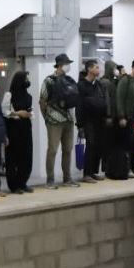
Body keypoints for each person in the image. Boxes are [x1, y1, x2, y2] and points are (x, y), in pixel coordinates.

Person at [40, 54, 79, 189]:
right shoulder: (49, 80)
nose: (68, 66)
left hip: (68, 119)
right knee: (52, 150)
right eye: (67, 63)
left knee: (68, 149)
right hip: (54, 120)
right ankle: (50, 180)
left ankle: (67, 179)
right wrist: (46, 117)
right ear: (60, 65)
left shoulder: (69, 80)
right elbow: (42, 100)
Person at [2, 71, 34, 194]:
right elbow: (5, 111)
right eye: (26, 78)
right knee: (12, 158)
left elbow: (31, 111)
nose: (28, 81)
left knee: (26, 157)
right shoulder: (9, 95)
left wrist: (29, 114)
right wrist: (18, 113)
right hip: (13, 129)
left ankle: (23, 183)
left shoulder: (28, 96)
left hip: (25, 128)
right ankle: (14, 186)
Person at [77, 59, 107, 183]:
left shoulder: (98, 84)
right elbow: (79, 106)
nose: (98, 69)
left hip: (99, 120)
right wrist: (80, 125)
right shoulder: (81, 85)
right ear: (89, 69)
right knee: (91, 145)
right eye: (96, 67)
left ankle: (94, 171)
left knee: (98, 146)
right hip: (88, 120)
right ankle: (86, 174)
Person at [116, 58, 134, 175]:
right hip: (128, 117)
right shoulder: (125, 80)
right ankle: (127, 168)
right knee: (128, 143)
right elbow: (119, 98)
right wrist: (121, 116)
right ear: (132, 68)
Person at [100, 60, 119, 176]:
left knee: (111, 143)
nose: (115, 70)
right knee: (107, 143)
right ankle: (106, 167)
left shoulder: (112, 81)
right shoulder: (105, 82)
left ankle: (110, 166)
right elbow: (107, 100)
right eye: (114, 68)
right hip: (109, 117)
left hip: (113, 116)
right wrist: (108, 115)